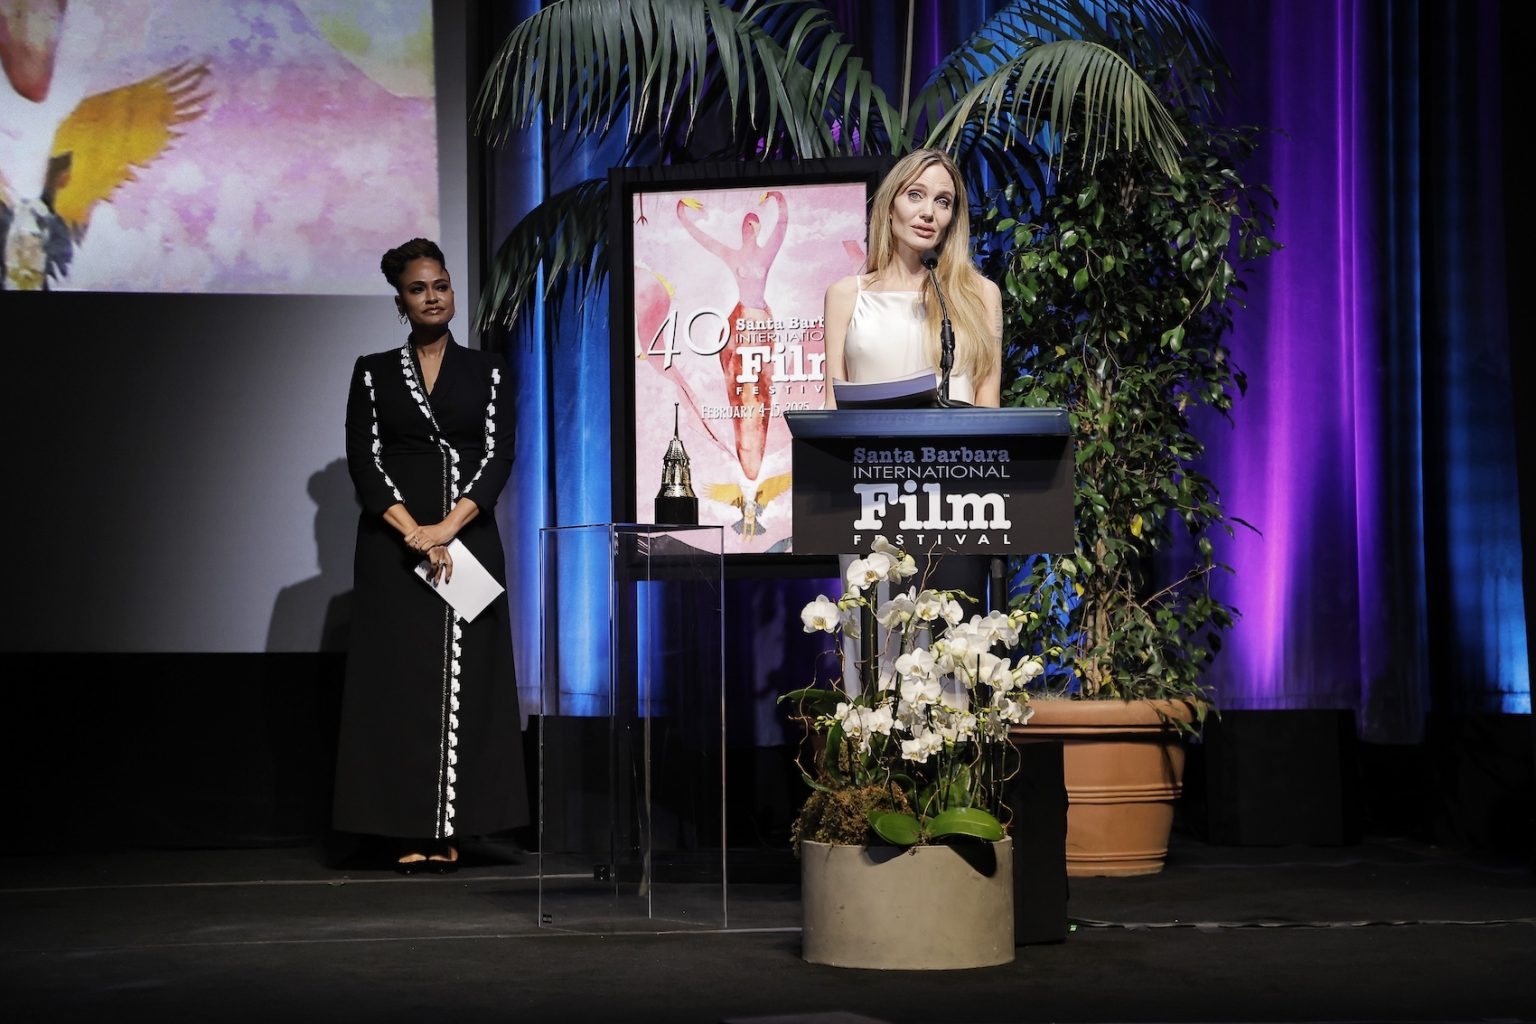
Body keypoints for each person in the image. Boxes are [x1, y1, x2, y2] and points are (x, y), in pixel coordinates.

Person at [334, 238, 527, 872]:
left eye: (440, 285)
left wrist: (446, 527)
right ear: (401, 302)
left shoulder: (489, 369)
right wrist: (413, 531)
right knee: (400, 688)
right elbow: (365, 459)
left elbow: (498, 456)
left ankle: (455, 830)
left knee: (470, 687)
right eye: (419, 289)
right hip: (395, 548)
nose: (433, 296)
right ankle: (403, 828)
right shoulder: (373, 371)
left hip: (466, 538)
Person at [822, 148, 1002, 408]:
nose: (928, 212)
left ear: (951, 219)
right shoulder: (845, 295)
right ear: (890, 207)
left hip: (954, 448)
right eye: (915, 195)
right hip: (868, 449)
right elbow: (833, 406)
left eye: (943, 201)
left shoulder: (981, 294)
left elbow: (989, 407)